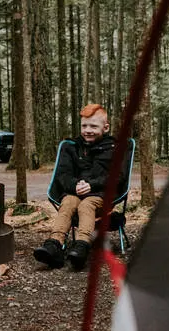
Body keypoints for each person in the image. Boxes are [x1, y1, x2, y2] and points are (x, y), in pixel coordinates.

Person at [34, 103, 116, 271]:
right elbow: (62, 175)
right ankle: (54, 245)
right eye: (84, 126)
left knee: (87, 205)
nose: (88, 130)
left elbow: (117, 177)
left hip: (100, 195)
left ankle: (81, 246)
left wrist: (91, 185)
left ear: (106, 127)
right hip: (74, 192)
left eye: (93, 126)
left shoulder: (114, 148)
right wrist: (75, 185)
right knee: (68, 203)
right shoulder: (71, 146)